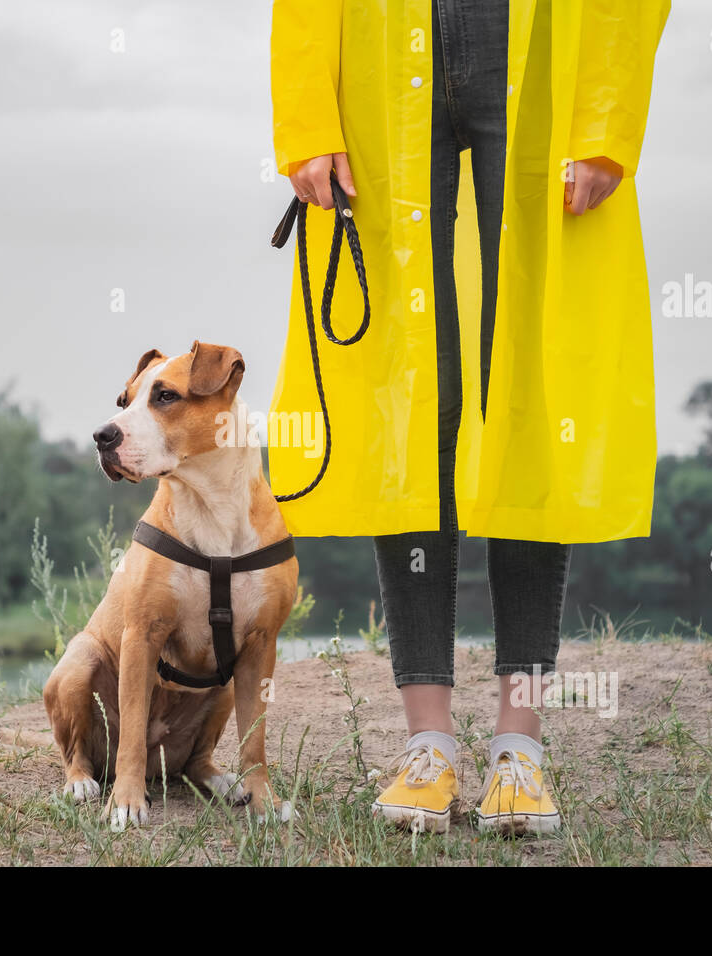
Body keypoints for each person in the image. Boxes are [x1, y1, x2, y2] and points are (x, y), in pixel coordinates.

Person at [268, 0, 671, 834]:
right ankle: (429, 745)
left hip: (532, 44)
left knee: (524, 404)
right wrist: (307, 113)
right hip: (381, 46)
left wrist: (604, 115)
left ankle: (518, 750)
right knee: (410, 412)